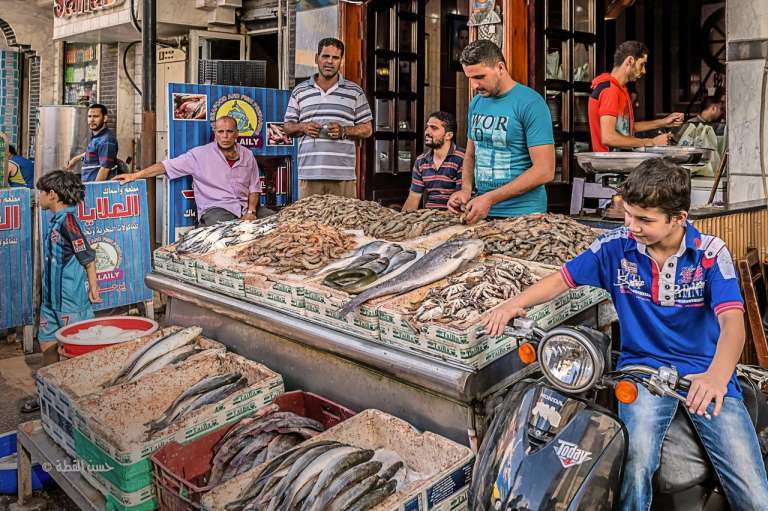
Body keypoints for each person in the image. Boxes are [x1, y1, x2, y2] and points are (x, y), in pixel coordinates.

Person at [480, 158, 768, 510]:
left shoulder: (710, 254)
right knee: (636, 463)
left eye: (644, 219)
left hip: (705, 376)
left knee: (754, 495)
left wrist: (717, 376)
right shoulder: (614, 247)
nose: (631, 226)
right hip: (642, 372)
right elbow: (562, 279)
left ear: (679, 218)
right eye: (628, 214)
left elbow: (733, 323)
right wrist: (513, 304)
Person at [447, 40, 556, 224]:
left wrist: (490, 199)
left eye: (480, 77)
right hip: (481, 212)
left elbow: (545, 171)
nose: (474, 85)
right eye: (470, 78)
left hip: (524, 215)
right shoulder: (476, 103)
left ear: (500, 68)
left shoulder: (531, 103)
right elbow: (471, 154)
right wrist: (465, 189)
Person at [21, 171, 100, 413]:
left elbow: (88, 258)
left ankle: (84, 402)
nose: (38, 197)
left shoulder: (69, 222)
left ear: (52, 195)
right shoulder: (55, 221)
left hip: (70, 303)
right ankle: (48, 395)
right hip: (50, 303)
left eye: (41, 193)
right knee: (47, 344)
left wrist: (93, 288)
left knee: (77, 353)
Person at [114, 116, 262, 226]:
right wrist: (135, 175)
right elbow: (165, 166)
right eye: (221, 131)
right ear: (215, 133)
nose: (225, 136)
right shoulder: (199, 155)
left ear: (237, 133)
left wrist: (251, 211)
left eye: (229, 131)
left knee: (273, 221)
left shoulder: (247, 155)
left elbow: (254, 187)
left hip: (245, 208)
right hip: (216, 209)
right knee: (231, 231)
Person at [283, 37, 373, 199]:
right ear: (316, 58)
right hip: (309, 175)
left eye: (335, 57)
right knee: (309, 216)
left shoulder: (355, 92)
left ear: (341, 62)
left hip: (343, 176)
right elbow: (287, 127)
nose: (330, 61)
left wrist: (344, 130)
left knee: (345, 216)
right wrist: (303, 127)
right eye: (325, 56)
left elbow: (367, 129)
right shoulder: (300, 91)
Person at [589, 41, 683, 151]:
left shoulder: (620, 89)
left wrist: (662, 122)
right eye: (642, 64)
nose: (644, 71)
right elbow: (608, 138)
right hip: (610, 161)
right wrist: (651, 142)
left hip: (621, 159)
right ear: (629, 61)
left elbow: (627, 127)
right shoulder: (609, 90)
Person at [403, 111, 465, 211]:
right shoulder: (421, 161)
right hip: (429, 216)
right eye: (427, 127)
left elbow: (461, 200)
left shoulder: (462, 159)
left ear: (449, 135)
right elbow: (413, 197)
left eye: (434, 128)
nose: (427, 132)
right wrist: (402, 218)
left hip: (455, 215)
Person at [65, 103, 119, 182]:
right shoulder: (97, 137)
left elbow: (105, 169)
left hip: (95, 186)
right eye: (89, 116)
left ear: (105, 118)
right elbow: (94, 153)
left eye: (96, 116)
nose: (92, 120)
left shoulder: (106, 141)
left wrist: (93, 188)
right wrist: (75, 159)